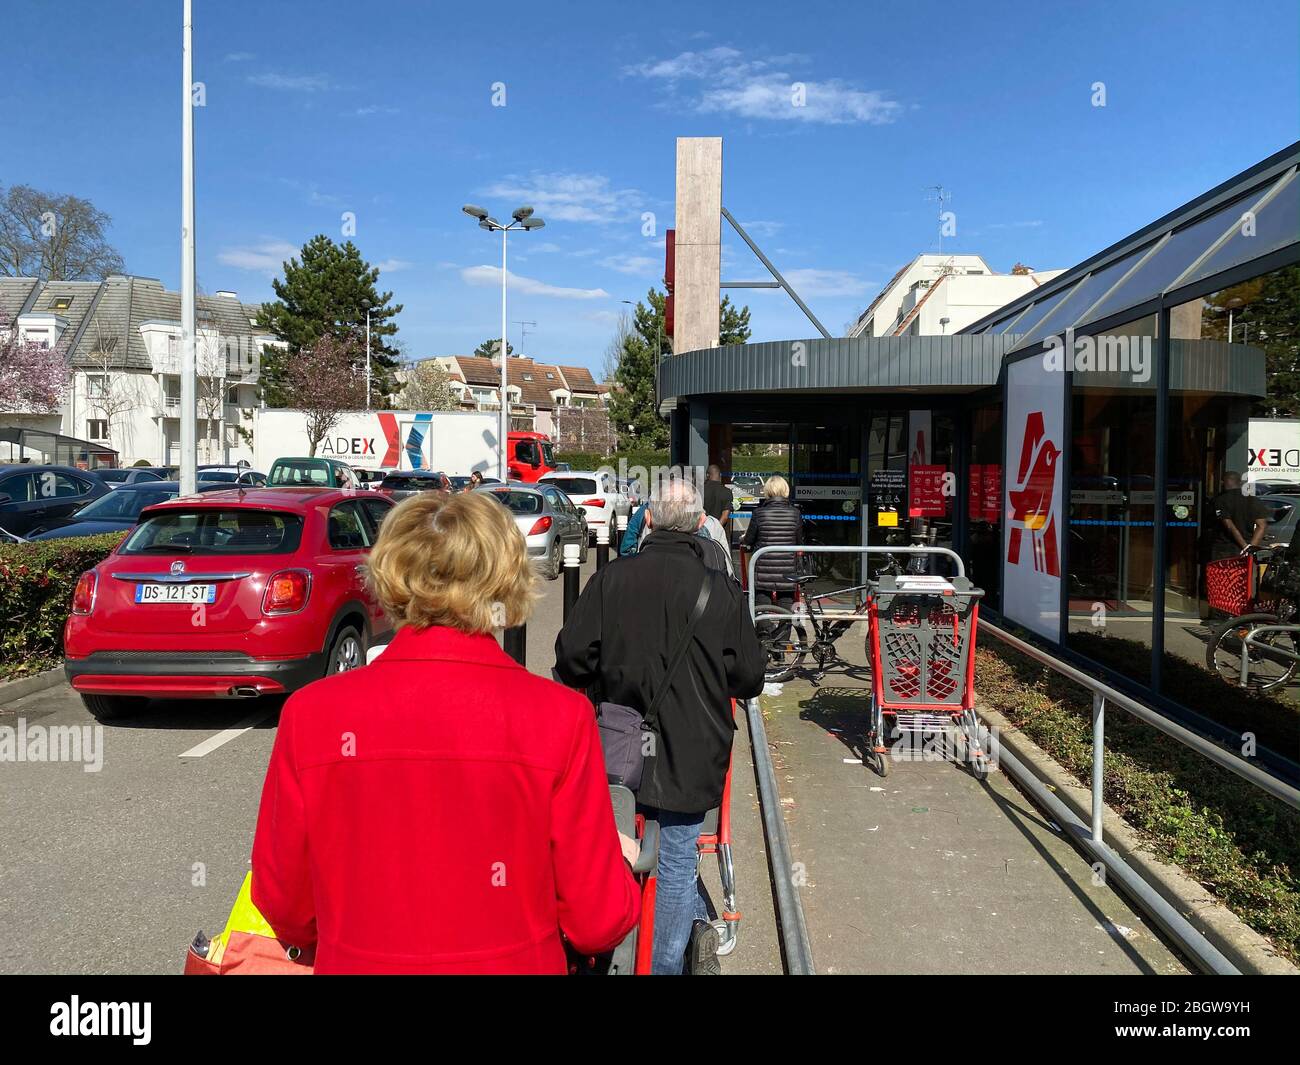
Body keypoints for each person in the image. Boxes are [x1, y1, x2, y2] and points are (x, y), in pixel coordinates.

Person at [251, 491, 640, 974]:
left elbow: (284, 900)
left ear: (389, 575)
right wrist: (618, 865)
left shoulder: (311, 714)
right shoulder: (559, 716)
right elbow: (597, 920)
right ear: (507, 582)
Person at [554, 480, 765, 974]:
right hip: (692, 751)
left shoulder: (612, 580)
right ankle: (663, 967)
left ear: (647, 520)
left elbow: (571, 657)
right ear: (699, 525)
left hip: (617, 744)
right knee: (675, 864)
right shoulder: (721, 591)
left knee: (607, 848)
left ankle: (604, 953)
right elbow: (750, 676)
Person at [742, 475, 804, 635]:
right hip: (787, 571)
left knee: (761, 609)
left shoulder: (759, 513)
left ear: (767, 491)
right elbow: (798, 541)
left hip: (763, 570)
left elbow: (748, 541)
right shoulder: (795, 514)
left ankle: (766, 639)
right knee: (786, 610)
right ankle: (782, 644)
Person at [1209, 471, 1269, 559]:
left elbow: (1229, 525)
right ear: (1240, 482)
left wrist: (1244, 546)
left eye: (1222, 481)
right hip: (1246, 547)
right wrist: (1250, 548)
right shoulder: (1253, 500)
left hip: (1224, 548)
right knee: (1245, 572)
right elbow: (1262, 526)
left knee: (1224, 572)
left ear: (1225, 482)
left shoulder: (1221, 500)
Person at [702, 464, 733, 531]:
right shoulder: (727, 491)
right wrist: (716, 530)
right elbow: (725, 516)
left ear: (707, 475)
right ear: (720, 475)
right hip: (718, 532)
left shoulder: (700, 490)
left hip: (701, 530)